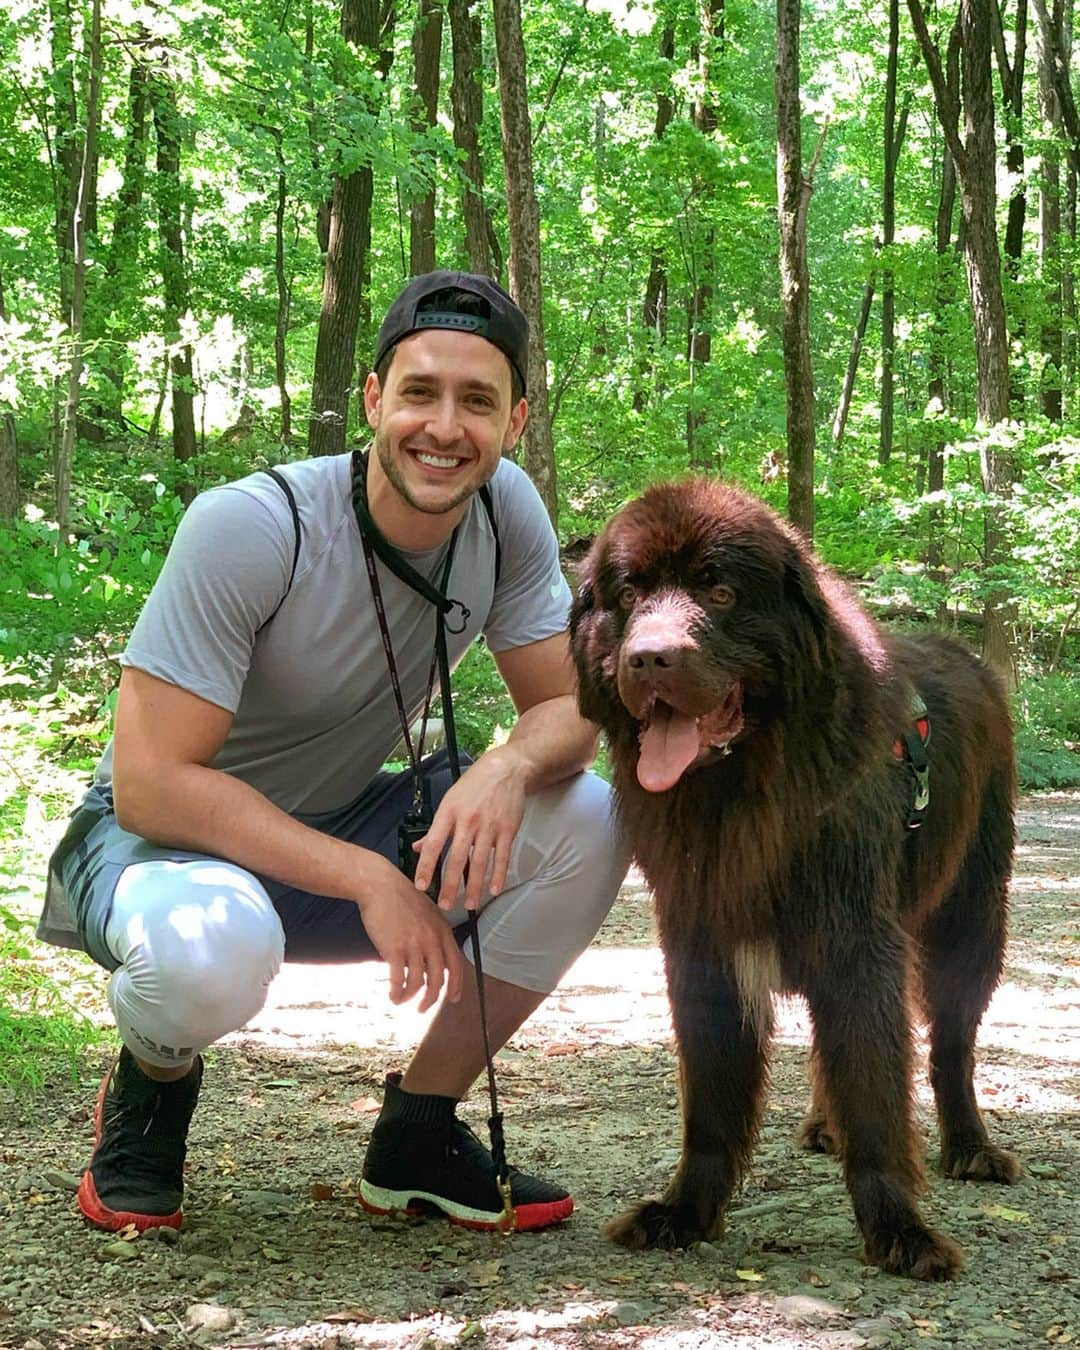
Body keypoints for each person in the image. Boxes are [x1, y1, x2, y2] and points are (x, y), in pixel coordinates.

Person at [39, 270, 627, 1237]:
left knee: (589, 818)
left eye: (477, 400)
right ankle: (152, 1089)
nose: (445, 427)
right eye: (420, 392)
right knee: (210, 952)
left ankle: (418, 1132)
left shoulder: (502, 511)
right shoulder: (254, 526)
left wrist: (508, 766)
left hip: (340, 822)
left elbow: (571, 704)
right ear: (372, 400)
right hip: (160, 850)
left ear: (515, 421)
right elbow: (149, 785)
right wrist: (364, 875)